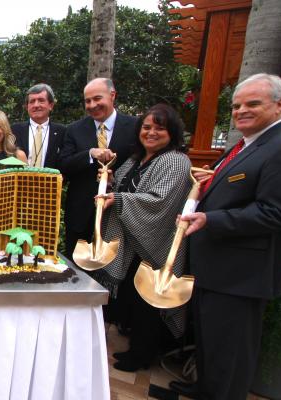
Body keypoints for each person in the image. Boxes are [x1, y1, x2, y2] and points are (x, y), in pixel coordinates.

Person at [171, 74, 281, 400]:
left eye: (252, 104)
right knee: (212, 346)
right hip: (217, 269)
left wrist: (210, 219)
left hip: (241, 276)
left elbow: (278, 213)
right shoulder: (246, 146)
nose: (240, 111)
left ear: (280, 105)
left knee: (230, 357)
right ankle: (204, 389)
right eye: (237, 105)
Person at [93, 104, 192, 372]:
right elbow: (126, 189)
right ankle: (136, 349)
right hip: (132, 242)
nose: (151, 133)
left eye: (159, 128)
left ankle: (143, 355)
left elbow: (160, 201)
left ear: (172, 132)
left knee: (148, 303)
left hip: (154, 244)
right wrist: (111, 183)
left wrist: (119, 198)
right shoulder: (137, 159)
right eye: (146, 127)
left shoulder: (175, 161)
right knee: (134, 301)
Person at [59, 78, 138, 259]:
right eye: (88, 101)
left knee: (114, 269)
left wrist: (115, 181)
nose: (92, 105)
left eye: (97, 98)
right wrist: (90, 153)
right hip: (81, 214)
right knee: (77, 271)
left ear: (112, 96)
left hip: (120, 213)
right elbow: (64, 165)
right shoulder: (74, 130)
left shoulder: (135, 127)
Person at [11, 83, 66, 169]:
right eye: (32, 101)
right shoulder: (14, 130)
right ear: (27, 106)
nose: (36, 105)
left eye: (41, 100)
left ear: (51, 105)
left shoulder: (62, 132)